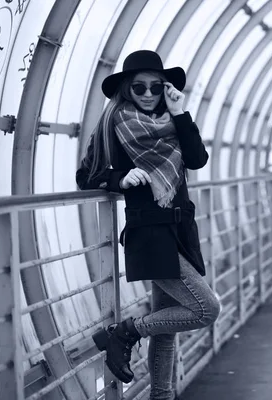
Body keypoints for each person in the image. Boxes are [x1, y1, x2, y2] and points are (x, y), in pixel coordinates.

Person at [75, 50, 221, 400]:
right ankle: (124, 332)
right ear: (126, 88)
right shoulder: (114, 123)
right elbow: (86, 175)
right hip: (150, 235)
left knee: (166, 330)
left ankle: (162, 395)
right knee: (206, 309)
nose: (147, 93)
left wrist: (179, 111)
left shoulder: (172, 122)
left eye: (156, 86)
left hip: (180, 231)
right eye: (138, 87)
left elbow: (198, 159)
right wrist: (119, 178)